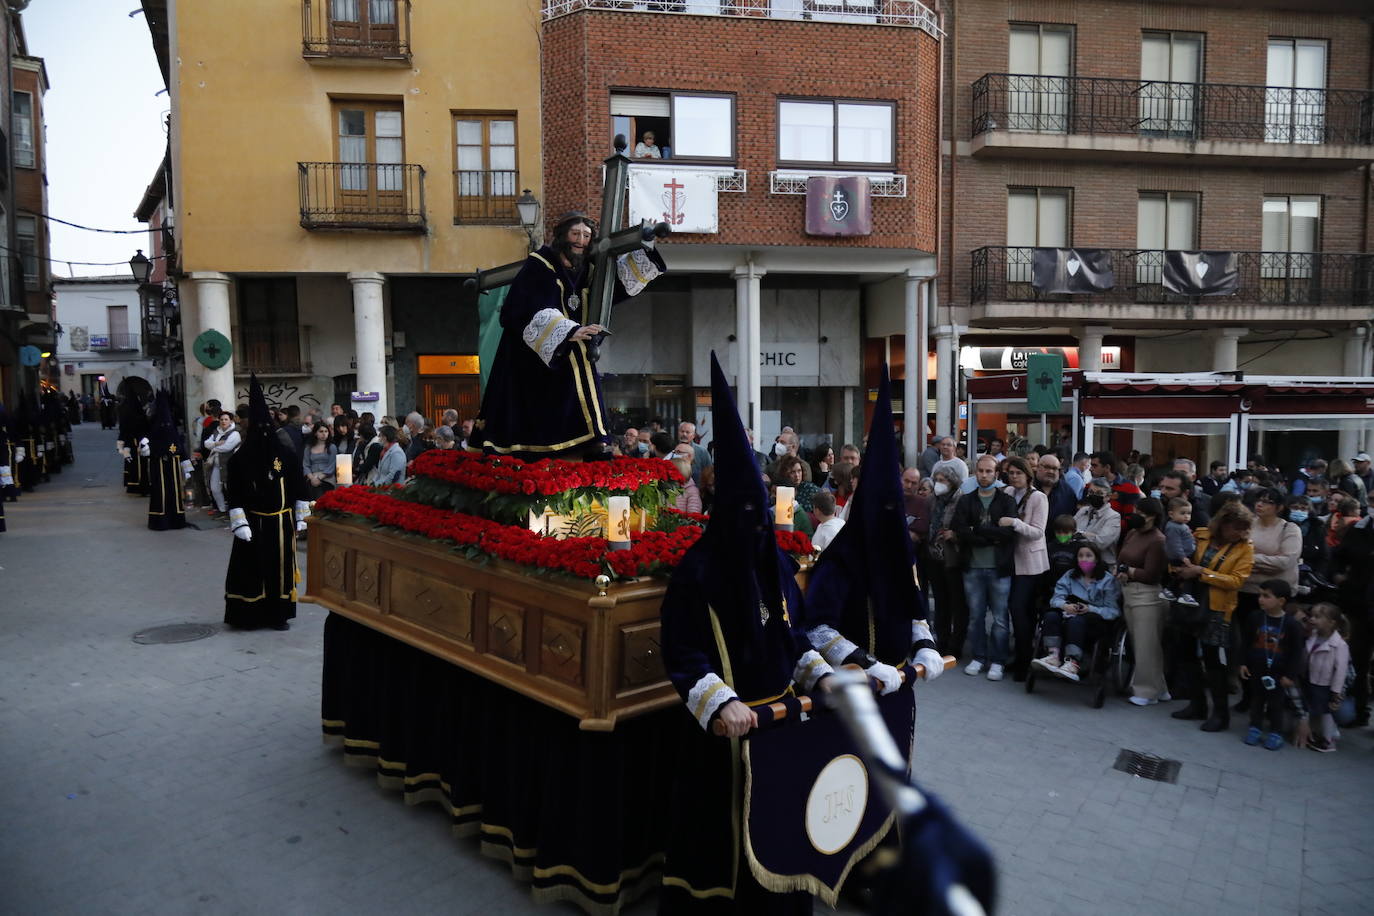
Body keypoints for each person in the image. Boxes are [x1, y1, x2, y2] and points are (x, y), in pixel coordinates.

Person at [658, 353, 833, 913]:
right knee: (720, 845)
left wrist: (820, 676)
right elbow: (682, 649)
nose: (760, 528)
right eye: (750, 518)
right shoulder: (698, 571)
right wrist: (718, 702)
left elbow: (793, 631)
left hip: (780, 725)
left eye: (765, 516)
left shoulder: (776, 562)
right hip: (727, 735)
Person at [470, 211, 666, 460]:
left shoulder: (588, 268)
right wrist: (567, 330)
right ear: (562, 236)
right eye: (575, 234)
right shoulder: (539, 264)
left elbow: (613, 286)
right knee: (541, 404)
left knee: (581, 385)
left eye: (586, 235)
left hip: (572, 348)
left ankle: (593, 442)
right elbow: (521, 308)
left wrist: (644, 247)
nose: (581, 240)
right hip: (531, 355)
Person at [224, 376, 309, 632]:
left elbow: (298, 485)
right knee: (253, 569)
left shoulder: (286, 455)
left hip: (282, 523)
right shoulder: (239, 460)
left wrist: (301, 515)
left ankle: (279, 615)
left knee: (280, 570)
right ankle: (249, 614)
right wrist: (239, 522)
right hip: (255, 524)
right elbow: (235, 493)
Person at [1171, 501, 1256, 732]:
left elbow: (1237, 581)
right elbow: (1179, 558)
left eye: (1244, 528)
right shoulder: (1200, 535)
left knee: (1214, 662)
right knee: (1187, 655)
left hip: (1217, 608)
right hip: (1190, 602)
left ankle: (1220, 714)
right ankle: (1196, 704)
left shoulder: (1245, 547)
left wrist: (1202, 572)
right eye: (1236, 527)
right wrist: (1179, 569)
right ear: (1223, 524)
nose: (1241, 533)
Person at [950, 454, 1018, 681]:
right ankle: (979, 657)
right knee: (975, 616)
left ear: (997, 474)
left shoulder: (1006, 500)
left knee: (1000, 618)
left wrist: (977, 531)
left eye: (989, 471)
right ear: (975, 472)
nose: (984, 475)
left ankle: (998, 660)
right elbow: (960, 529)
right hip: (972, 567)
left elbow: (1008, 532)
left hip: (999, 568)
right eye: (981, 470)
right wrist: (987, 535)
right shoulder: (966, 500)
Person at [1032, 541, 1121, 682]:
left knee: (1076, 621)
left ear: (1096, 559)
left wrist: (1089, 609)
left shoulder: (1107, 580)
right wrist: (1065, 605)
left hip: (1093, 622)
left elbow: (1112, 611)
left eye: (1088, 556)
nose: (1084, 559)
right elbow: (1056, 598)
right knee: (1050, 616)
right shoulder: (1070, 575)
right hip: (1068, 613)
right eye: (1080, 556)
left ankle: (1072, 662)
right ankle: (1053, 655)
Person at [1238, 580, 1305, 750]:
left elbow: (1297, 652)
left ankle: (1276, 732)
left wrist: (1290, 675)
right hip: (1257, 668)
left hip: (1279, 672)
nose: (1260, 599)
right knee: (1257, 700)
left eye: (1266, 596)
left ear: (1281, 601)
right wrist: (1243, 663)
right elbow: (1246, 642)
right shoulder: (1255, 617)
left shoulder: (1292, 625)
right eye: (1260, 595)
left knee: (1276, 703)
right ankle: (1255, 727)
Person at [1116, 497, 1170, 705]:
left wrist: (1129, 571)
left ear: (1152, 516)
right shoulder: (1132, 533)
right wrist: (1121, 571)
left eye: (1140, 511)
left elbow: (1152, 574)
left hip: (1147, 596)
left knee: (1146, 646)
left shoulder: (1158, 540)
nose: (1135, 514)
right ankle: (1160, 688)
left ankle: (1146, 691)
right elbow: (1122, 558)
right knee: (1142, 644)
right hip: (1128, 591)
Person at [1000, 456, 1049, 681]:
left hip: (1030, 564)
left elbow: (1038, 531)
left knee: (1020, 610)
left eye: (1018, 473)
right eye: (1011, 473)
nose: (1014, 477)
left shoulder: (1039, 497)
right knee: (1018, 612)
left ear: (1028, 474)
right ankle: (1021, 656)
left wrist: (1015, 523)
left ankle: (1024, 660)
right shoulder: (1008, 493)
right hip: (1011, 560)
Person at [928, 466, 969, 658]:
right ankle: (942, 641)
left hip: (954, 557)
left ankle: (955, 645)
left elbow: (967, 526)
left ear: (952, 482)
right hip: (935, 556)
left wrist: (955, 535)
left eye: (943, 480)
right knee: (941, 601)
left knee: (957, 603)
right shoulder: (933, 500)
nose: (939, 484)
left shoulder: (962, 499)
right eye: (937, 479)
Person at [1303, 603, 1351, 753]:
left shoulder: (1340, 645)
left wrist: (1336, 691)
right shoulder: (1312, 637)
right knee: (1314, 708)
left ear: (1332, 622)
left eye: (1318, 617)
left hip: (1325, 684)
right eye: (1312, 616)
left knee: (1325, 712)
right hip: (1311, 680)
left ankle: (1328, 740)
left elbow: (1341, 671)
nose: (1313, 619)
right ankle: (1317, 733)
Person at [146, 390, 192, 532]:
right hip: (159, 467)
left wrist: (187, 467)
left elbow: (181, 448)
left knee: (174, 492)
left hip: (173, 468)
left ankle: (175, 519)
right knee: (161, 492)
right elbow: (148, 449)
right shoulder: (154, 429)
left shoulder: (171, 428)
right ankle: (161, 520)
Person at [1158, 498, 1199, 607]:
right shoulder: (1173, 527)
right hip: (1180, 556)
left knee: (1180, 576)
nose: (1186, 516)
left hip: (1185, 554)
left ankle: (1168, 591)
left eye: (1189, 513)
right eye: (1182, 513)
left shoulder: (1181, 525)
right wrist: (1183, 557)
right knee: (1188, 574)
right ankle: (1185, 594)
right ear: (1171, 514)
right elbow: (1174, 544)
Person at [1073, 478, 1121, 566]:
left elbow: (1100, 543)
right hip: (1078, 561)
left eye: (1099, 493)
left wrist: (1081, 534)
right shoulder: (1083, 510)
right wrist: (1091, 535)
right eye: (1091, 492)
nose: (1094, 495)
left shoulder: (1113, 517)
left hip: (1102, 564)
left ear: (1108, 496)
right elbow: (1069, 530)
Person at [205, 411, 241, 518]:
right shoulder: (217, 432)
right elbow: (206, 443)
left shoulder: (235, 433)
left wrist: (213, 447)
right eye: (221, 419)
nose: (223, 421)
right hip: (216, 465)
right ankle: (222, 510)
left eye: (226, 419)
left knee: (230, 489)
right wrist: (216, 443)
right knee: (215, 488)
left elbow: (227, 447)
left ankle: (234, 512)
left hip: (228, 465)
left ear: (231, 421)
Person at [1286, 493, 1328, 578]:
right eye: (1295, 508)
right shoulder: (1281, 525)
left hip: (1309, 572)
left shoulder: (1317, 527)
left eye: (1303, 509)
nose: (1298, 511)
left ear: (1309, 511)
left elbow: (1323, 555)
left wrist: (1318, 574)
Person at [1034, 454, 1077, 530]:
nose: (1050, 471)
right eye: (1046, 467)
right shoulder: (1028, 487)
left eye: (1054, 468)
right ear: (1037, 467)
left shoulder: (1067, 491)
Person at [302, 421, 338, 500]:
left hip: (327, 478)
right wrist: (312, 478)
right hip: (312, 477)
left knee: (320, 492)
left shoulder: (332, 447)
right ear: (315, 433)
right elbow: (306, 465)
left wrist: (319, 478)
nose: (324, 434)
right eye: (321, 431)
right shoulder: (308, 448)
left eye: (326, 431)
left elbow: (332, 465)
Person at [677, 421, 713, 487]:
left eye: (687, 432)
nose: (684, 434)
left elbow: (708, 472)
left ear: (694, 435)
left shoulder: (702, 451)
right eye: (682, 431)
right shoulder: (673, 450)